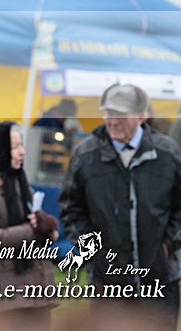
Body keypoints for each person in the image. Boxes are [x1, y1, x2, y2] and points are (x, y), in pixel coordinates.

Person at [60, 83, 181, 330]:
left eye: (120, 115)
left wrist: (167, 246)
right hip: (108, 285)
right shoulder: (86, 155)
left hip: (159, 282)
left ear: (141, 116)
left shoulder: (167, 153)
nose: (112, 121)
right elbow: (71, 208)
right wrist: (93, 251)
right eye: (108, 114)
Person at [0, 121, 59, 331]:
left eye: (21, 145)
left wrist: (47, 226)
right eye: (14, 147)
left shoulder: (18, 181)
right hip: (6, 296)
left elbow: (44, 233)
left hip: (37, 290)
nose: (22, 151)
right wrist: (32, 232)